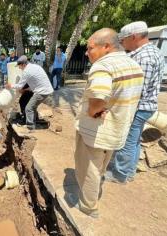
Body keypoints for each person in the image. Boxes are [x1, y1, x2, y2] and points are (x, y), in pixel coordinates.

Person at [69, 28, 144, 218]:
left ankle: (87, 207)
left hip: (96, 131)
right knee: (100, 167)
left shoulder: (103, 66)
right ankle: (92, 196)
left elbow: (98, 98)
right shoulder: (133, 65)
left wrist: (92, 110)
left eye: (90, 48)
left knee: (89, 170)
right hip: (117, 129)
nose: (86, 53)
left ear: (107, 46)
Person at [105, 22, 165, 184]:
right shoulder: (149, 52)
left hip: (137, 107)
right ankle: (129, 171)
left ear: (134, 37)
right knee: (134, 139)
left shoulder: (145, 57)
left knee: (126, 140)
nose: (122, 44)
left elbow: (137, 89)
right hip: (144, 106)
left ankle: (120, 174)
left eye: (123, 40)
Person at [6, 55, 53, 131]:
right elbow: (36, 81)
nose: (19, 68)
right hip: (45, 89)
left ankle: (30, 126)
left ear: (24, 64)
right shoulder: (35, 67)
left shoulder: (27, 71)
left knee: (29, 108)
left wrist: (10, 85)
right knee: (30, 105)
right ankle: (33, 120)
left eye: (19, 66)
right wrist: (27, 89)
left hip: (42, 91)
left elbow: (20, 85)